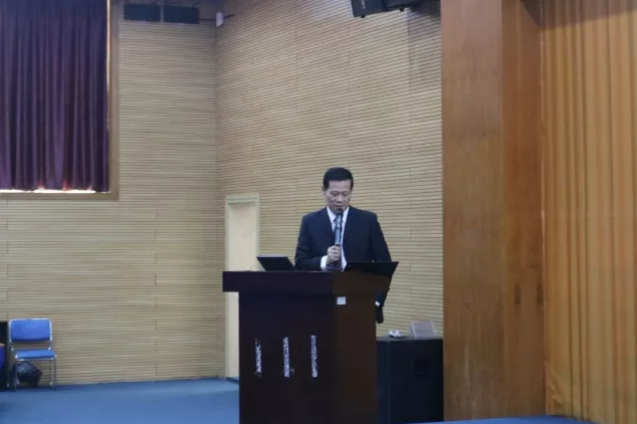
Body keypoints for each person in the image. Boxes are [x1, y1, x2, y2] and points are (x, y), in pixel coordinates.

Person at [294, 167, 392, 323]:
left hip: (361, 303)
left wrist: (376, 301)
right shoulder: (310, 221)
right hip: (320, 305)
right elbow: (300, 262)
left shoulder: (368, 221)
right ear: (324, 191)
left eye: (345, 194)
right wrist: (325, 261)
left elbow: (384, 265)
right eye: (334, 194)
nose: (340, 200)